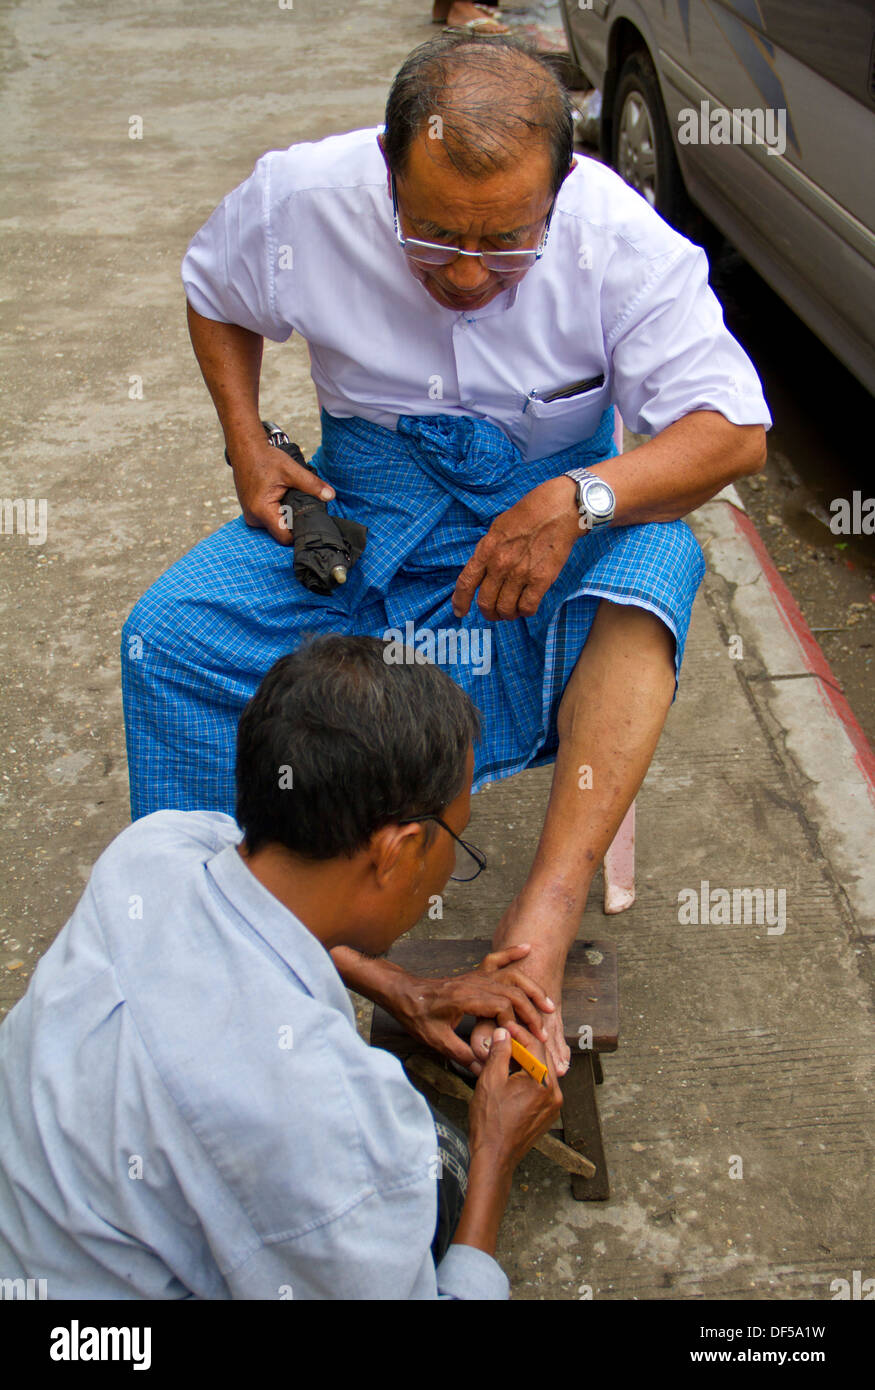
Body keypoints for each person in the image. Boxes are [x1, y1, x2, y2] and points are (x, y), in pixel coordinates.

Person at [122, 32, 771, 1080]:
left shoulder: (614, 233)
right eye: (429, 238)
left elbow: (731, 429)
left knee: (653, 563)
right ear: (387, 174)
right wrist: (247, 441)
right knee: (173, 634)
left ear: (558, 196)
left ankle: (544, 915)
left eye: (506, 243)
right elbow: (214, 290)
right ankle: (224, 929)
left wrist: (580, 494)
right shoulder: (301, 198)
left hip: (545, 517)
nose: (467, 273)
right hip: (363, 513)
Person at [0, 636, 561, 1300]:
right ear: (399, 851)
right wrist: (495, 1153)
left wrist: (400, 987)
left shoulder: (153, 850)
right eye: (455, 840)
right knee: (440, 1166)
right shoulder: (330, 1127)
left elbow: (262, 912)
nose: (448, 868)